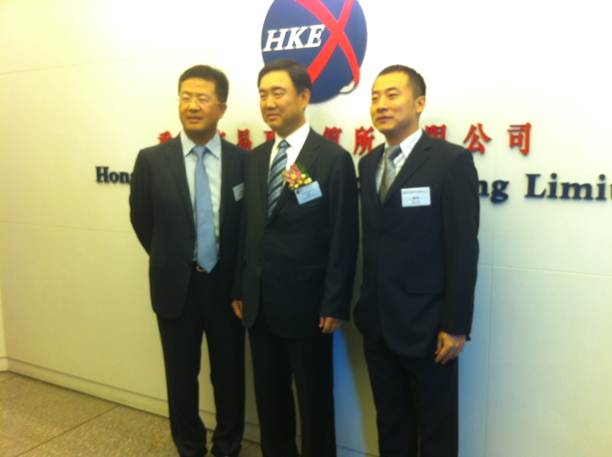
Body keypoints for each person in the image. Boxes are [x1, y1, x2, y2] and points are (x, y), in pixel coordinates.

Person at [231, 59, 358, 457]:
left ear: (304, 97)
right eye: (263, 94)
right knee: (270, 401)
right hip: (259, 304)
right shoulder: (255, 159)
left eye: (278, 93)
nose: (269, 102)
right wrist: (240, 287)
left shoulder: (332, 159)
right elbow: (248, 230)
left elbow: (343, 236)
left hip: (309, 306)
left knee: (315, 402)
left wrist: (334, 302)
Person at [354, 65, 480, 457]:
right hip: (378, 324)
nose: (381, 104)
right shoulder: (368, 164)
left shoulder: (449, 161)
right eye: (375, 97)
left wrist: (456, 325)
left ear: (420, 103)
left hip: (429, 328)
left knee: (436, 431)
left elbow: (463, 249)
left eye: (392, 95)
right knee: (391, 424)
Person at [129, 65, 245, 457]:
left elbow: (246, 227)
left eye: (202, 98)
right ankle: (189, 446)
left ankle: (227, 445)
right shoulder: (151, 160)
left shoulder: (241, 161)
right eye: (185, 97)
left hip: (227, 288)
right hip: (176, 286)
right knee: (180, 376)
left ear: (221, 108)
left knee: (229, 373)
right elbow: (142, 221)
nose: (192, 106)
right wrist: (174, 257)